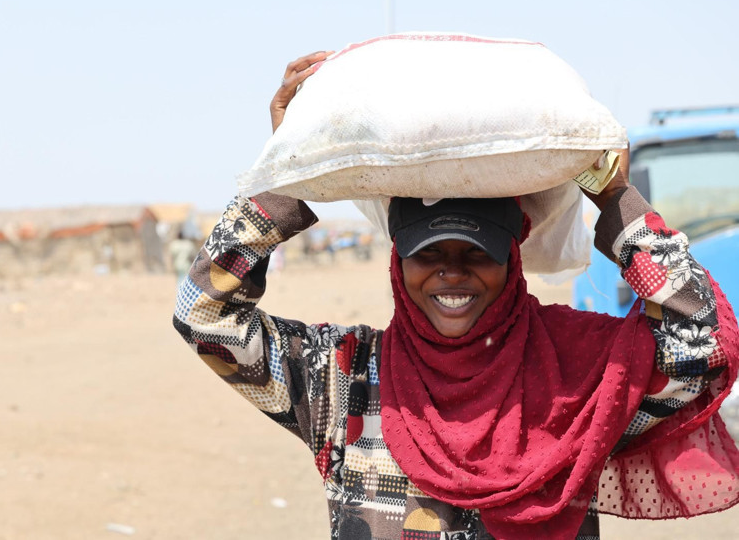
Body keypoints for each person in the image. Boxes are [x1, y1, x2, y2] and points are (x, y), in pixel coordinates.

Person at [173, 51, 739, 539]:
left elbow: (706, 344)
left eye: (477, 254)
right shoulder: (341, 379)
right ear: (398, 263)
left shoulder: (577, 376)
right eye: (428, 255)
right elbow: (202, 313)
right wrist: (285, 179)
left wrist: (615, 199)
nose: (451, 274)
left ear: (512, 261)